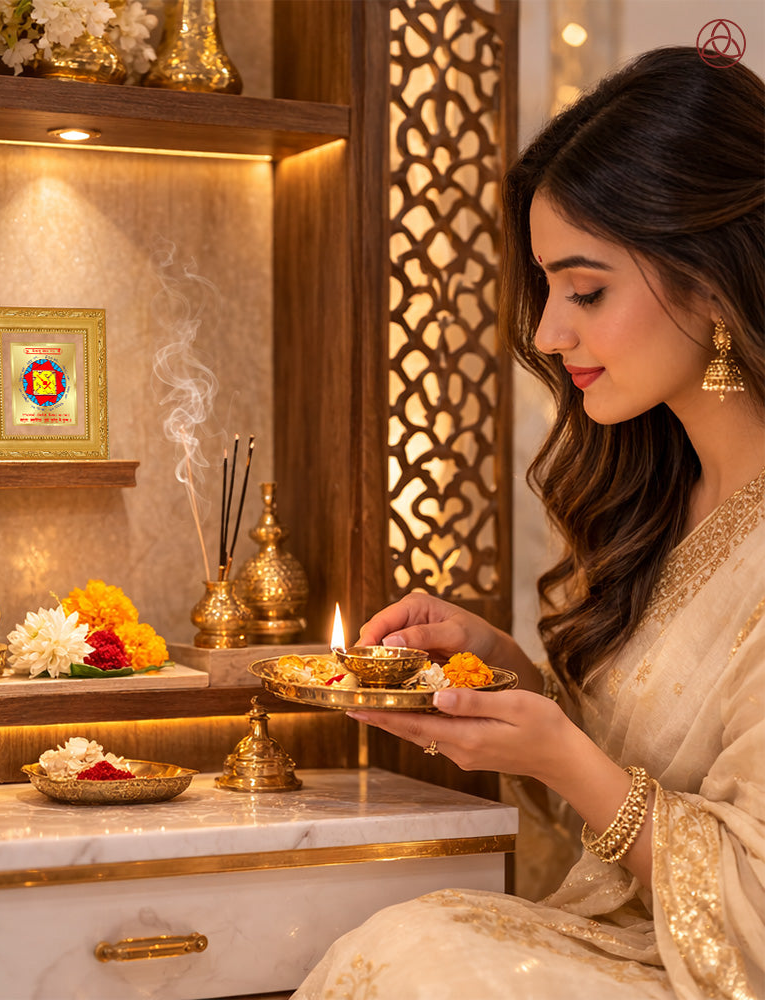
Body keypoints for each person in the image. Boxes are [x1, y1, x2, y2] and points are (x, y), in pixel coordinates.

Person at [294, 47, 764, 1000]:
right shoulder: (653, 500)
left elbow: (752, 915)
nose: (549, 333)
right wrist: (511, 683)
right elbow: (620, 800)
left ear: (711, 286)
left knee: (427, 962)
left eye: (586, 291)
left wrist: (559, 752)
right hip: (622, 945)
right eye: (549, 289)